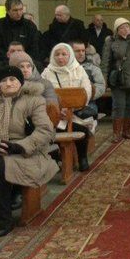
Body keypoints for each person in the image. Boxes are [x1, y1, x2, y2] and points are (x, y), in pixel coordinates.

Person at [0, 65, 57, 238]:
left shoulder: (34, 100)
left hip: (27, 152)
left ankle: (3, 219)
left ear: (20, 82)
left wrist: (19, 146)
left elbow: (45, 131)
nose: (8, 83)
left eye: (12, 79)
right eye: (3, 80)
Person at [42, 43, 93, 171]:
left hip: (75, 113)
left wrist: (72, 107)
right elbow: (41, 94)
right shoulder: (47, 72)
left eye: (64, 54)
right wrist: (57, 110)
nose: (60, 57)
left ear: (70, 55)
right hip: (54, 117)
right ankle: (58, 158)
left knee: (83, 131)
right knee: (54, 131)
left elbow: (86, 92)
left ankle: (82, 158)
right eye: (57, 54)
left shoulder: (78, 70)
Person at [0, 0, 43, 67]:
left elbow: (34, 47)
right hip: (4, 63)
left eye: (21, 9)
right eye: (15, 10)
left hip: (26, 64)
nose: (19, 13)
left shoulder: (30, 25)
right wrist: (10, 60)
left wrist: (24, 60)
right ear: (8, 11)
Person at [70, 41, 104, 131]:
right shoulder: (64, 68)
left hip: (88, 103)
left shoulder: (93, 67)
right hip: (67, 105)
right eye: (77, 51)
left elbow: (100, 86)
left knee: (88, 127)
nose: (81, 53)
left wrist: (88, 96)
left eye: (83, 51)